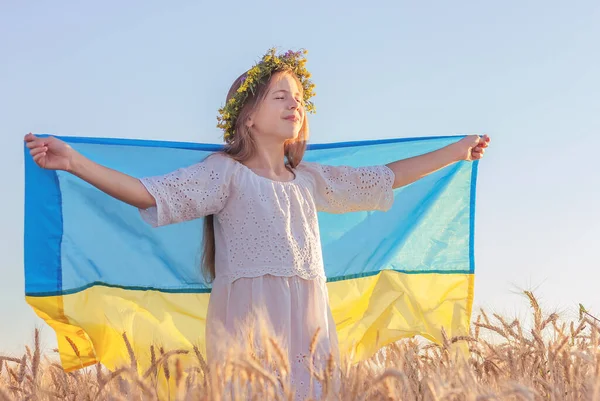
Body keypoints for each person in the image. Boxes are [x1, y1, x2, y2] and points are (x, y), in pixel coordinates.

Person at [24, 48, 490, 400]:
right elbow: (150, 193)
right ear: (247, 117)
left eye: (301, 99)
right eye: (280, 95)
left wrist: (456, 152)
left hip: (310, 322)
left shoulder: (310, 179)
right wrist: (75, 162)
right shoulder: (223, 174)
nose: (295, 105)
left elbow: (385, 179)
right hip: (249, 324)